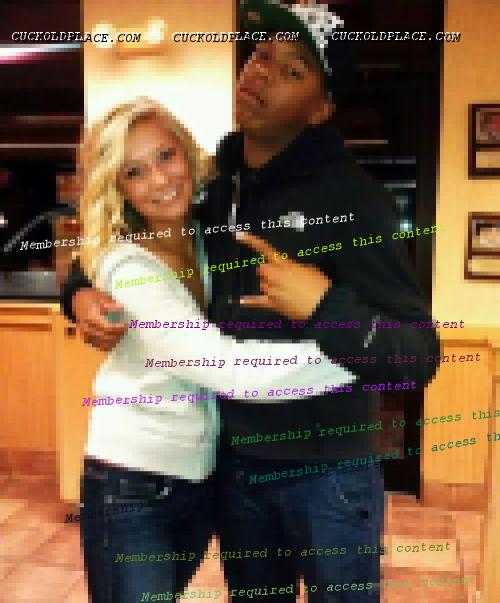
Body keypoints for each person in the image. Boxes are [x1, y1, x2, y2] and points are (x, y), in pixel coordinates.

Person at [62, 2, 440, 601]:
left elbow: (416, 355)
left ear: (320, 108)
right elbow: (127, 238)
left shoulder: (355, 199)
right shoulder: (218, 185)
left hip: (328, 473)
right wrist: (77, 292)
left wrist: (325, 306)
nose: (261, 72)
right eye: (261, 54)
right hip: (235, 470)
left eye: (291, 70)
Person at [74, 96, 355, 603]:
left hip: (198, 480)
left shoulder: (205, 237)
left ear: (185, 151)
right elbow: (226, 367)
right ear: (118, 188)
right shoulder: (129, 268)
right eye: (135, 172)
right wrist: (358, 354)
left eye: (166, 156)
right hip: (131, 484)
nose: (160, 179)